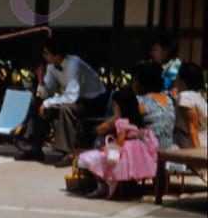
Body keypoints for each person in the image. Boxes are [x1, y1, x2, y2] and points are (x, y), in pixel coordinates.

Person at [16, 36, 108, 166]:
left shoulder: (74, 65)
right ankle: (33, 147)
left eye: (46, 53)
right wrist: (41, 80)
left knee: (66, 108)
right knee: (38, 104)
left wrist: (47, 103)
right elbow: (46, 94)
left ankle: (67, 152)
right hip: (75, 99)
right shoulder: (52, 66)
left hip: (93, 101)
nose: (44, 56)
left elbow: (71, 97)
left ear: (57, 54)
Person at [79, 89, 158, 199]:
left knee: (90, 158)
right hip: (138, 152)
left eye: (114, 105)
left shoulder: (121, 122)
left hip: (124, 152)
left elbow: (120, 143)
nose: (113, 108)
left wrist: (106, 148)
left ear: (120, 107)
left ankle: (103, 186)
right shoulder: (137, 121)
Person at [132, 61, 175, 152]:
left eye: (134, 80)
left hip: (150, 150)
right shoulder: (168, 99)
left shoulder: (139, 101)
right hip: (168, 148)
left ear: (139, 83)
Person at [173, 62, 206, 149]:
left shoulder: (185, 97)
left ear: (183, 80)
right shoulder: (199, 98)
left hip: (192, 146)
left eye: (177, 75)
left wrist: (196, 156)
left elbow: (192, 128)